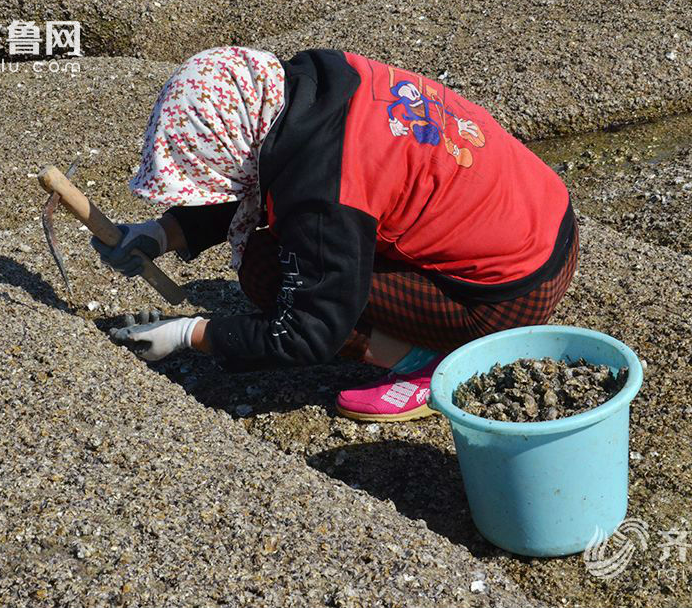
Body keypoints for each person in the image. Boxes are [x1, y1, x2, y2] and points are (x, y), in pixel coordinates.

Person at [91, 46, 578, 423]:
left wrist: (189, 334)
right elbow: (252, 173)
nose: (212, 179)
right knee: (282, 249)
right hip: (548, 223)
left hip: (508, 293)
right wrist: (159, 233)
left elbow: (306, 332)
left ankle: (422, 364)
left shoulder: (323, 189)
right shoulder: (310, 83)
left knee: (267, 274)